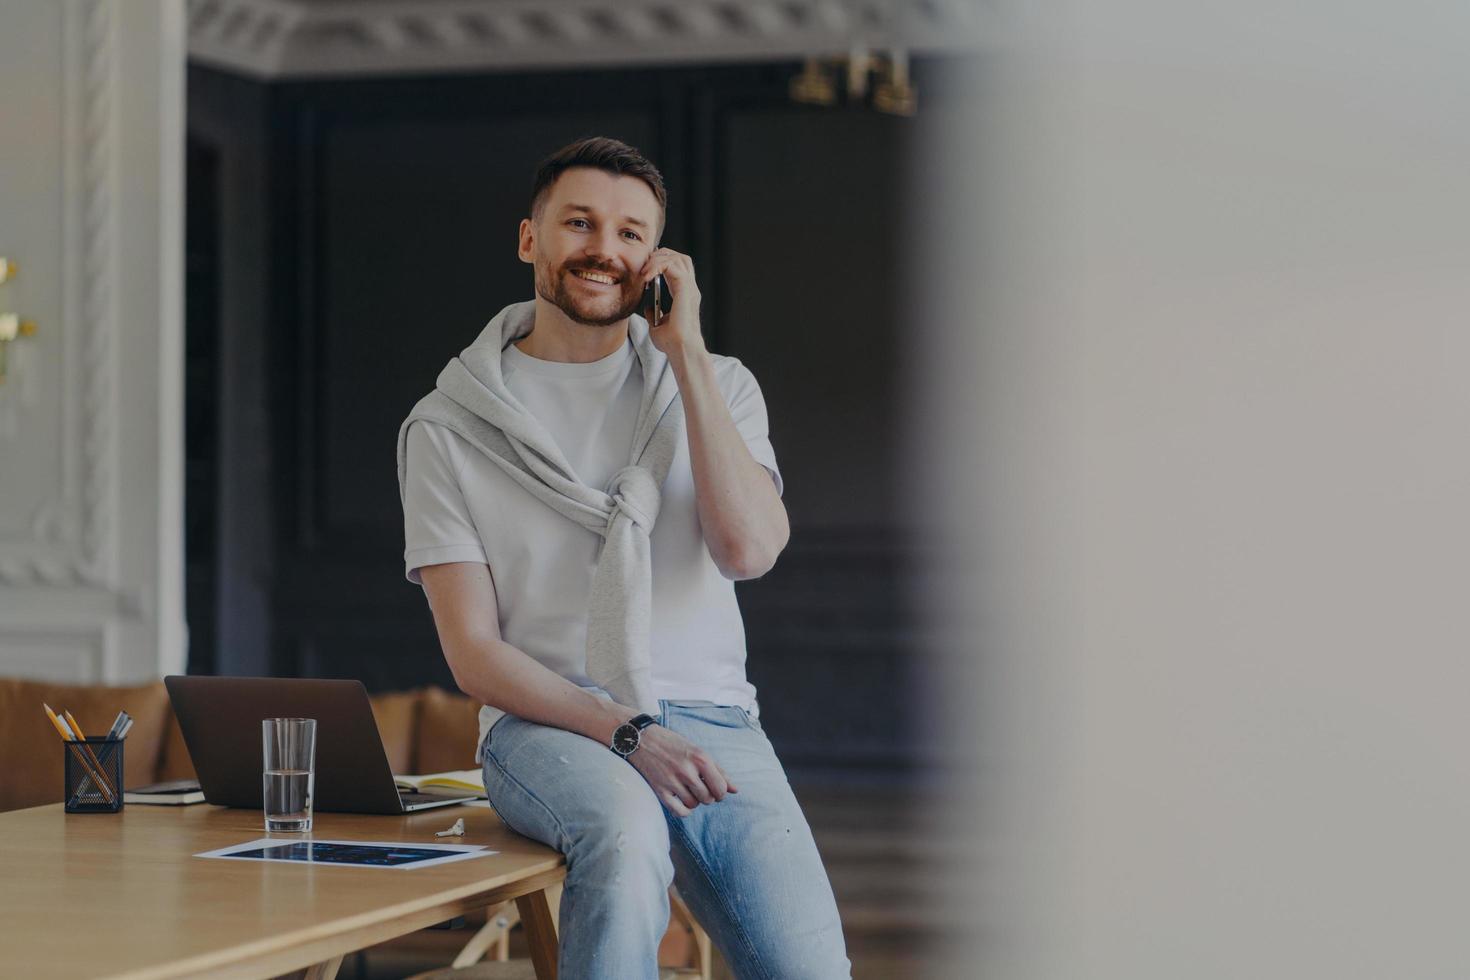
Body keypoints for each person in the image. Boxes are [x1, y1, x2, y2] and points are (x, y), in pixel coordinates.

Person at [397, 137, 851, 979]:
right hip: (546, 726)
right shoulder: (446, 427)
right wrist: (628, 731)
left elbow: (749, 549)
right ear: (531, 239)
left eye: (631, 234)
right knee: (625, 831)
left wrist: (687, 356)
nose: (605, 249)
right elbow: (475, 655)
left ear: (655, 260)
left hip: (714, 719)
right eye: (580, 223)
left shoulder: (720, 384)